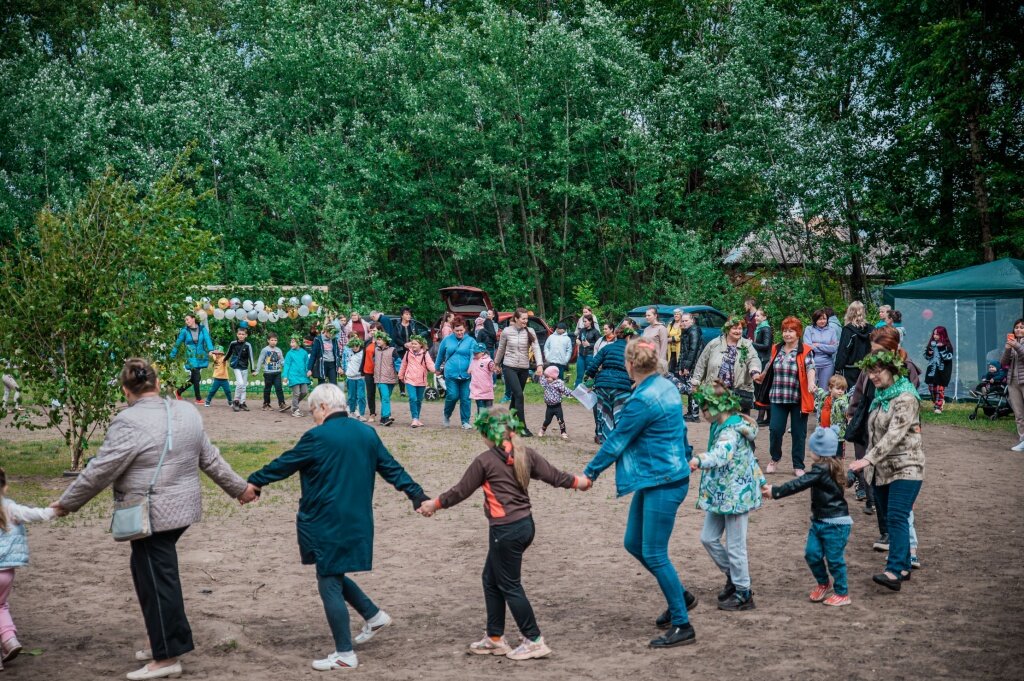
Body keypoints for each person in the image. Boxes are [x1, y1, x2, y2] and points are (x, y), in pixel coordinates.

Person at [54, 359, 252, 680]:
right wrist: (239, 489)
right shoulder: (186, 411)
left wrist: (66, 504)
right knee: (148, 572)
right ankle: (159, 640)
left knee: (158, 580)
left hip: (151, 514)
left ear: (125, 390)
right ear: (157, 383)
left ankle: (166, 657)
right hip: (182, 511)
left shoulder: (127, 421)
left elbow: (102, 469)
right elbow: (210, 458)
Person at [244, 383, 430, 671]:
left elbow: (286, 463)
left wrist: (255, 481)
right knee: (333, 571)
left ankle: (345, 653)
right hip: (357, 518)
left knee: (328, 579)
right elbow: (392, 468)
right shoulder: (367, 432)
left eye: (312, 412)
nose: (313, 417)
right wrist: (416, 494)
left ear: (322, 407)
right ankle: (373, 615)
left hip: (325, 519)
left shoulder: (317, 436)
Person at [417, 407, 588, 660]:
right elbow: (555, 476)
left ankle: (534, 639)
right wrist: (580, 481)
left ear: (489, 434)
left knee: (509, 584)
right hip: (524, 526)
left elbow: (460, 491)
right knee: (491, 578)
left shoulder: (485, 461)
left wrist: (434, 504)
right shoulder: (525, 453)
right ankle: (495, 637)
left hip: (505, 530)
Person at [581, 338, 697, 648]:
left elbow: (616, 440)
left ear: (629, 365)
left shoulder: (642, 400)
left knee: (655, 553)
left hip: (665, 479)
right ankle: (681, 595)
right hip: (656, 476)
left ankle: (683, 625)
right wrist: (687, 453)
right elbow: (682, 430)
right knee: (634, 543)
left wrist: (589, 474)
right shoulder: (665, 386)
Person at [849, 350, 924, 592]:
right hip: (881, 469)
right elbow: (873, 434)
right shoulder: (881, 396)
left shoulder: (906, 398)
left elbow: (894, 435)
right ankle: (902, 566)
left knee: (897, 516)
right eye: (869, 371)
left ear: (892, 370)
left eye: (876, 371)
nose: (871, 376)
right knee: (890, 520)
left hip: (906, 466)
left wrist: (867, 460)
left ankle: (893, 572)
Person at [689, 381, 765, 612]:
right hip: (721, 494)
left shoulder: (731, 431)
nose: (702, 412)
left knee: (735, 546)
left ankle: (743, 592)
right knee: (708, 538)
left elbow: (722, 454)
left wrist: (698, 460)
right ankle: (734, 575)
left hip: (736, 495)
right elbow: (749, 459)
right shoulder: (720, 426)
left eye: (704, 407)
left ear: (718, 406)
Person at [764, 426, 852, 607]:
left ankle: (842, 593)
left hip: (836, 523)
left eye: (811, 448)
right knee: (812, 554)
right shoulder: (829, 467)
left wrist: (776, 491)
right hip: (819, 521)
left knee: (835, 559)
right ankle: (823, 583)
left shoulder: (821, 470)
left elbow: (799, 483)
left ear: (818, 451)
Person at [845, 326, 916, 524]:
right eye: (873, 349)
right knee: (869, 467)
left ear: (893, 349)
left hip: (893, 429)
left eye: (880, 350)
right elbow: (859, 390)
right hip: (867, 420)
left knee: (886, 472)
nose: (875, 354)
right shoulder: (869, 364)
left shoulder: (905, 367)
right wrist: (852, 413)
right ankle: (874, 508)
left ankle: (893, 526)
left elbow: (908, 401)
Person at [0, 467, 57, 670]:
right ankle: (10, 640)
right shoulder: (10, 507)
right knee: (1, 606)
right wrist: (54, 511)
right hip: (6, 572)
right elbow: (32, 514)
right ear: (5, 487)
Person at [754, 316, 816, 477]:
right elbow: (770, 364)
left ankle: (798, 465)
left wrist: (811, 383)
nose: (787, 334)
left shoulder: (805, 350)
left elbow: (810, 368)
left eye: (791, 331)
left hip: (798, 399)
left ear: (798, 333)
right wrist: (762, 376)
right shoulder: (777, 348)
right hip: (778, 397)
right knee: (775, 430)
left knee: (798, 433)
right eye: (785, 331)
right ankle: (775, 458)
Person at [691, 315, 762, 415]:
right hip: (717, 393)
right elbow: (702, 363)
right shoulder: (714, 344)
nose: (738, 331)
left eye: (740, 328)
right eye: (734, 328)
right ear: (727, 329)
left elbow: (753, 359)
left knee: (739, 425)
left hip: (739, 394)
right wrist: (695, 382)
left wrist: (755, 372)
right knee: (718, 424)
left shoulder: (747, 345)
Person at [495, 308, 544, 435]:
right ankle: (522, 428)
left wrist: (539, 365)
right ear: (516, 318)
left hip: (524, 368)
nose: (525, 321)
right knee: (519, 395)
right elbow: (501, 348)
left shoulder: (530, 331)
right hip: (509, 366)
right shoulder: (506, 331)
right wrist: (496, 363)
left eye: (527, 319)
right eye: (523, 319)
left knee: (515, 397)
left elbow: (536, 348)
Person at [585, 323, 633, 445]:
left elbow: (593, 366)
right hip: (621, 386)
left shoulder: (606, 348)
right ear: (628, 337)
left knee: (605, 413)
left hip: (603, 384)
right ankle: (619, 442)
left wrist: (589, 378)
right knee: (620, 414)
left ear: (616, 335)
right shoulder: (631, 351)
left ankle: (606, 440)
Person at [436, 319, 478, 429]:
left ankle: (465, 421)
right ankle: (446, 415)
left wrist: (471, 368)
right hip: (451, 373)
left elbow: (473, 356)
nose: (459, 332)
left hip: (466, 374)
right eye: (457, 330)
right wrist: (437, 368)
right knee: (452, 396)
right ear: (453, 330)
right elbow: (440, 355)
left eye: (461, 330)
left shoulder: (471, 341)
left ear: (465, 329)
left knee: (465, 398)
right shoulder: (447, 340)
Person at [169, 314, 213, 403]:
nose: (186, 321)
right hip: (190, 356)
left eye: (187, 319)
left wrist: (211, 350)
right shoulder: (184, 331)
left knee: (194, 378)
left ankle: (178, 392)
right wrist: (172, 354)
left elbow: (207, 339)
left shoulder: (202, 328)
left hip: (200, 355)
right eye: (185, 320)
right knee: (197, 376)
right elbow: (178, 343)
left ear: (193, 319)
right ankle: (198, 398)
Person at [398, 335, 434, 427]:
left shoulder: (425, 354)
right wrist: (400, 375)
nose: (413, 345)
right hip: (410, 379)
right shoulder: (408, 353)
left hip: (421, 380)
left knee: (419, 400)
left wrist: (436, 370)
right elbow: (403, 364)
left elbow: (430, 365)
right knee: (412, 398)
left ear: (421, 345)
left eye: (415, 344)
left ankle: (417, 418)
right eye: (412, 343)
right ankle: (414, 418)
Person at [835, 301, 872, 385]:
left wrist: (838, 367)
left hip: (850, 370)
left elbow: (843, 350)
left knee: (850, 395)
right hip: (867, 368)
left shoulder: (848, 330)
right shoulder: (871, 329)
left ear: (850, 312)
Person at [814, 375, 849, 458]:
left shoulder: (842, 401)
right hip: (824, 433)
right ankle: (825, 470)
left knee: (837, 457)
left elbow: (847, 409)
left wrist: (849, 413)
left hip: (837, 437)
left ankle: (837, 470)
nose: (840, 391)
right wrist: (814, 388)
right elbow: (819, 392)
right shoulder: (825, 397)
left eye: (843, 389)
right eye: (838, 388)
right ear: (830, 388)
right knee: (823, 456)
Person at [678, 313, 704, 422]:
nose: (684, 323)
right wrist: (680, 366)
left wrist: (687, 367)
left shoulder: (694, 331)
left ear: (692, 321)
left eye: (686, 320)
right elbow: (683, 351)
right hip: (688, 364)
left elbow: (693, 350)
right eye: (682, 321)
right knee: (689, 388)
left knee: (693, 389)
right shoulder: (686, 332)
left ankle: (695, 414)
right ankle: (690, 412)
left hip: (694, 365)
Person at [804, 309, 839, 390]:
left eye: (824, 319)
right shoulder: (809, 329)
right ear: (815, 319)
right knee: (811, 389)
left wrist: (818, 345)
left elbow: (833, 349)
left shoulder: (832, 330)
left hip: (827, 364)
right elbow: (808, 347)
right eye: (820, 319)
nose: (822, 321)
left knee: (825, 390)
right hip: (812, 364)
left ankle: (824, 403)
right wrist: (826, 347)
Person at [1003, 318, 1024, 451]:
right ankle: (1023, 441)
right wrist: (1007, 349)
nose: (1018, 329)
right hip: (1013, 381)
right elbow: (1003, 362)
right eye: (1016, 327)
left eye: (1022, 327)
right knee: (1019, 414)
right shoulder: (1012, 343)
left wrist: (1016, 345)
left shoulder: (1017, 344)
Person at [923, 326, 954, 414]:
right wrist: (928, 353)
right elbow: (926, 356)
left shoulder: (947, 346)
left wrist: (941, 349)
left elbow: (948, 357)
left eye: (937, 334)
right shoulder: (931, 345)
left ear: (942, 335)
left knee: (939, 389)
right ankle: (938, 401)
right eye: (934, 334)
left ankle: (938, 406)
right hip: (931, 371)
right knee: (932, 389)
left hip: (942, 371)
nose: (935, 336)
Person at [256, 332, 288, 412]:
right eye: (272, 340)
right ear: (268, 340)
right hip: (268, 373)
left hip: (277, 372)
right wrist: (257, 371)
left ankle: (282, 404)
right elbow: (260, 360)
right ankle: (266, 404)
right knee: (267, 389)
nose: (273, 341)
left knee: (279, 388)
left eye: (275, 340)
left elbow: (282, 361)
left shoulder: (278, 350)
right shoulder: (265, 350)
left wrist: (287, 368)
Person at [225, 327, 255, 412]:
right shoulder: (233, 343)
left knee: (243, 386)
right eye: (239, 334)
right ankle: (236, 401)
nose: (241, 336)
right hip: (236, 367)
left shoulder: (248, 345)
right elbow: (228, 353)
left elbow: (251, 358)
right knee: (240, 383)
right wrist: (224, 360)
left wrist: (252, 370)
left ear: (246, 335)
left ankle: (242, 403)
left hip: (244, 367)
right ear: (237, 335)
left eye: (243, 334)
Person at [538, 365, 572, 439]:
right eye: (546, 377)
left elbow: (566, 390)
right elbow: (541, 381)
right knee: (547, 420)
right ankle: (542, 429)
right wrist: (541, 375)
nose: (547, 378)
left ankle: (563, 432)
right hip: (549, 407)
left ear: (554, 377)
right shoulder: (546, 383)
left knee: (560, 420)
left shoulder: (559, 384)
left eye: (548, 377)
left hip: (557, 406)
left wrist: (573, 393)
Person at [752, 309, 773, 426]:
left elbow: (766, 346)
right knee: (762, 388)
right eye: (755, 316)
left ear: (764, 317)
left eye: (758, 316)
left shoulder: (766, 329)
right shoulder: (759, 329)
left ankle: (763, 418)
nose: (756, 317)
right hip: (760, 359)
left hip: (764, 361)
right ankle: (764, 418)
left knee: (762, 388)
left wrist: (751, 343)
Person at [373, 332, 398, 427]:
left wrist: (400, 373)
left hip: (391, 378)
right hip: (380, 379)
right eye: (377, 339)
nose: (377, 341)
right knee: (386, 397)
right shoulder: (376, 350)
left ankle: (383, 418)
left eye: (379, 339)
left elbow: (398, 362)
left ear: (385, 340)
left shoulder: (392, 350)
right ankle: (387, 417)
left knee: (385, 398)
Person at [283, 336, 311, 417]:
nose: (291, 344)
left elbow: (307, 363)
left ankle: (293, 404)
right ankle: (295, 409)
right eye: (291, 342)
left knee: (304, 391)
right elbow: (287, 365)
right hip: (293, 376)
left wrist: (308, 371)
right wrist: (285, 376)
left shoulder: (304, 353)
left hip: (303, 376)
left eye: (293, 342)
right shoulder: (289, 353)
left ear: (298, 343)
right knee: (296, 393)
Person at [392, 308, 415, 397]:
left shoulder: (413, 324)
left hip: (412, 350)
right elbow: (395, 337)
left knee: (412, 369)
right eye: (406, 314)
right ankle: (402, 390)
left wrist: (412, 343)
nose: (408, 316)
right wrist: (404, 344)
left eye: (409, 314)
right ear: (402, 315)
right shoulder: (397, 325)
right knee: (402, 369)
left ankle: (412, 388)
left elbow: (417, 335)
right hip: (400, 350)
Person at [469, 343, 497, 415]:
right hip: (477, 391)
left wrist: (495, 368)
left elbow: (493, 368)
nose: (475, 354)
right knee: (481, 410)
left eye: (477, 353)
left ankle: (489, 425)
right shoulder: (473, 360)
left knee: (489, 410)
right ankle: (481, 425)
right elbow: (469, 371)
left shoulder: (488, 361)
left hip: (487, 390)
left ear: (483, 352)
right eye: (474, 352)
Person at [344, 337, 367, 420]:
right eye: (353, 346)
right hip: (350, 378)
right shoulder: (348, 351)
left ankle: (361, 414)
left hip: (360, 378)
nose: (354, 348)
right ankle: (352, 412)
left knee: (361, 396)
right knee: (351, 396)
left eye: (356, 346)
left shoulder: (363, 353)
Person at [574, 315, 600, 388]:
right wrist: (577, 340)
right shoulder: (582, 330)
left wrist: (590, 344)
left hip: (590, 355)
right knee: (579, 375)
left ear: (590, 321)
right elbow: (578, 338)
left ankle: (590, 391)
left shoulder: (596, 332)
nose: (584, 323)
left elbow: (599, 344)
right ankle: (576, 392)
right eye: (583, 321)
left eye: (585, 321)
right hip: (581, 355)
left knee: (590, 375)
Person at [667, 309, 684, 374]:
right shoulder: (671, 324)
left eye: (677, 314)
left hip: (679, 348)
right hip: (670, 349)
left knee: (677, 367)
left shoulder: (682, 324)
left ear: (681, 315)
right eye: (675, 314)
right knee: (670, 367)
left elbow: (681, 336)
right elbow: (666, 333)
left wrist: (671, 339)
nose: (676, 315)